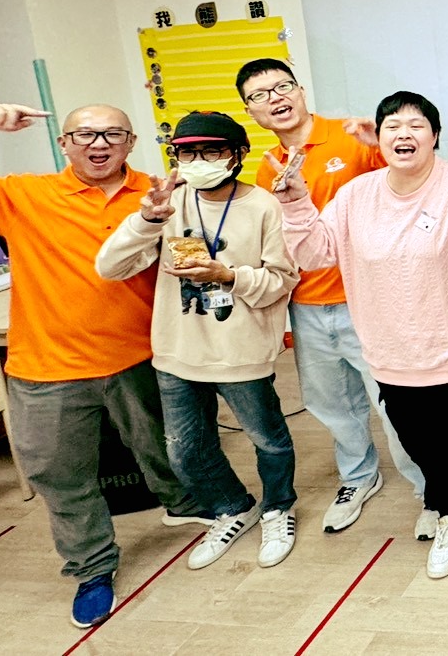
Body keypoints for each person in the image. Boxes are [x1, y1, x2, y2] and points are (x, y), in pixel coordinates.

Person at [0, 102, 208, 628]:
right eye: (84, 134)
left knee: (166, 449)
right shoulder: (23, 195)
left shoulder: (161, 192)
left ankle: (184, 504)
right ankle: (92, 567)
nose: (99, 143)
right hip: (47, 368)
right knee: (60, 475)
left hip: (142, 358)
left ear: (130, 142)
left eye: (112, 133)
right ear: (63, 143)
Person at [278, 93, 448, 579]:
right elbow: (315, 254)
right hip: (393, 354)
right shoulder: (356, 195)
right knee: (424, 445)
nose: (404, 134)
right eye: (393, 126)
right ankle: (447, 512)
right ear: (379, 138)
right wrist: (296, 202)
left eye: (417, 125)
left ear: (435, 136)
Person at [95, 111, 300, 572]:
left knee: (268, 440)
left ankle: (277, 508)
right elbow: (110, 267)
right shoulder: (168, 203)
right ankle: (233, 507)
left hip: (242, 350)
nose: (199, 161)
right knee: (184, 451)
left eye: (212, 151)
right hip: (178, 349)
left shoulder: (264, 206)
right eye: (188, 154)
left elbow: (281, 280)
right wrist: (146, 220)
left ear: (238, 154)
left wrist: (227, 275)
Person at [237, 58, 427, 538]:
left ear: (300, 90)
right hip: (306, 304)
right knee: (331, 403)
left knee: (395, 402)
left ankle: (430, 487)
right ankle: (359, 477)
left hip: (370, 299)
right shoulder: (266, 166)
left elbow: (411, 183)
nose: (275, 99)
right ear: (250, 111)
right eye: (260, 95)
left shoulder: (351, 137)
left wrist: (379, 145)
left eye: (282, 86)